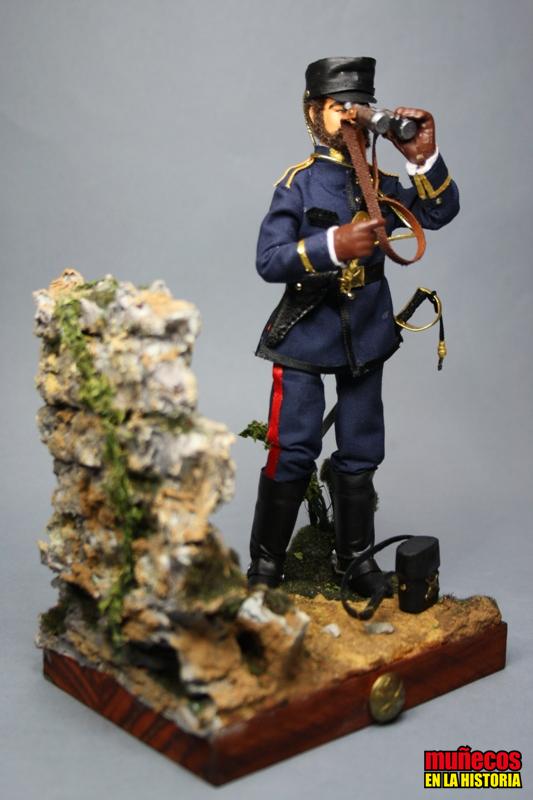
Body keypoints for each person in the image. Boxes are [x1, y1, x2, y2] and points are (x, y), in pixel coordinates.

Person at [247, 57, 459, 594]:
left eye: (359, 105)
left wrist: (424, 159)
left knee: (363, 449)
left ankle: (355, 563)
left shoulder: (381, 182)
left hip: (365, 335)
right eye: (338, 106)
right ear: (313, 113)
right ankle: (266, 567)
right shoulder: (298, 184)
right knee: (293, 447)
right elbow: (269, 260)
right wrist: (332, 246)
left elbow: (439, 213)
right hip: (305, 332)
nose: (350, 115)